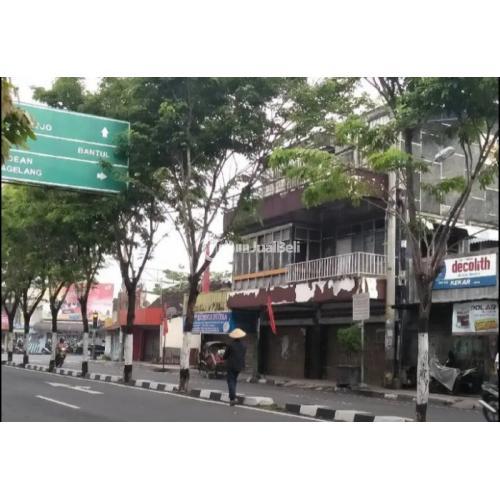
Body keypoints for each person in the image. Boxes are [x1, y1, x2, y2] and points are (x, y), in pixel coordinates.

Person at [223, 328, 247, 406]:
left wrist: (224, 357)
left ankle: (232, 398)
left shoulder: (230, 345)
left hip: (231, 366)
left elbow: (225, 356)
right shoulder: (244, 345)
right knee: (234, 380)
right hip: (239, 366)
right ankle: (233, 397)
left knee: (231, 381)